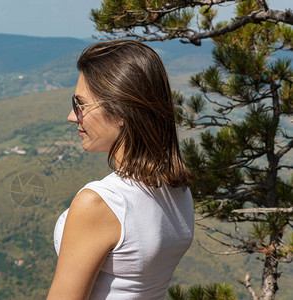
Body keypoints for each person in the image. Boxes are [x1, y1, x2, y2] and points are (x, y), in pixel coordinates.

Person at [47, 40, 195, 300]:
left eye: (80, 104)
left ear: (120, 111)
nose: (72, 116)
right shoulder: (179, 192)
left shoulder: (100, 202)